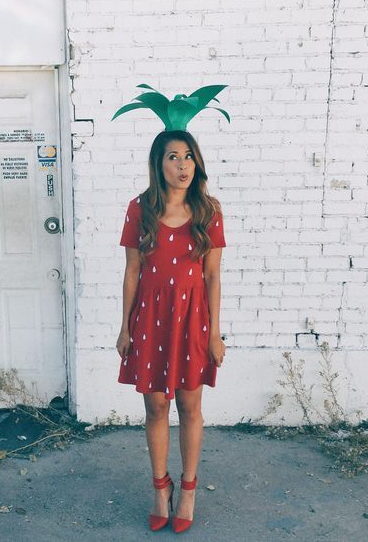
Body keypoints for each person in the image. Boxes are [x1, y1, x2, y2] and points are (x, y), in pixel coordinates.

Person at [115, 129, 227, 533]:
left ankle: (189, 490)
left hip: (193, 320)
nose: (182, 166)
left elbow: (212, 277)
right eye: (173, 157)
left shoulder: (208, 211)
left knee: (190, 407)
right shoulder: (139, 208)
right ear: (158, 164)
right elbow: (132, 272)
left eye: (188, 157)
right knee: (156, 407)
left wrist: (215, 333)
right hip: (149, 319)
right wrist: (124, 327)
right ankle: (160, 489)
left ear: (196, 163)